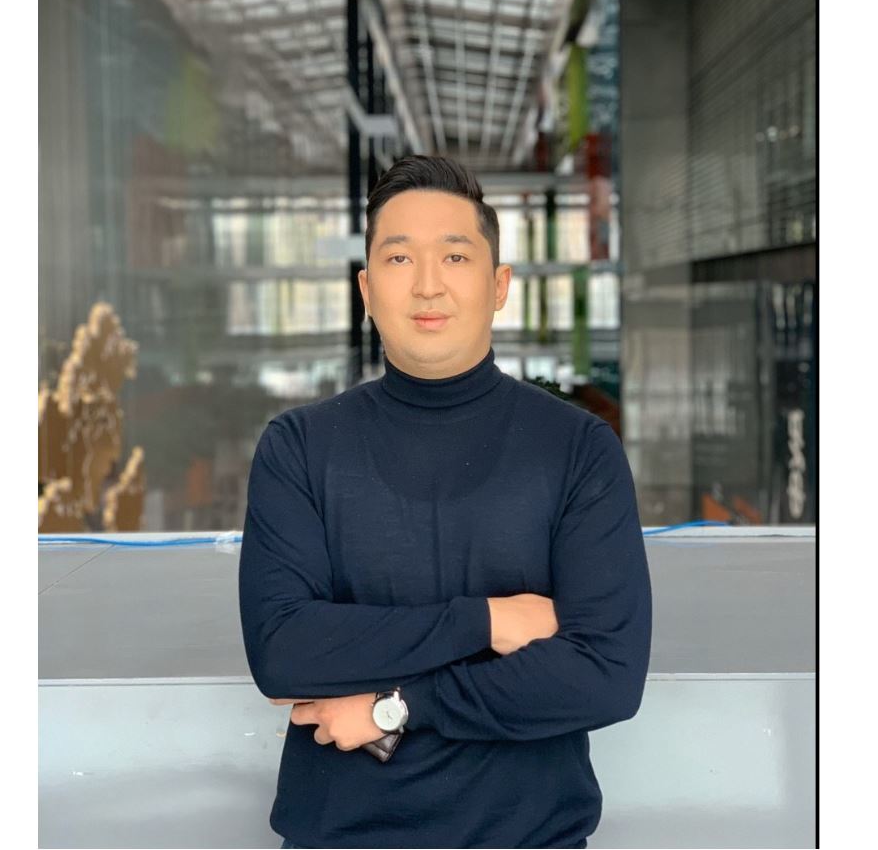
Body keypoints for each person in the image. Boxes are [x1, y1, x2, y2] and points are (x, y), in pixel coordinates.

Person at [237, 155, 653, 849]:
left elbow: (605, 675)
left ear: (499, 285)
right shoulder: (300, 448)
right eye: (399, 258)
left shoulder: (577, 450)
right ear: (367, 289)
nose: (428, 284)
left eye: (455, 256)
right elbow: (284, 651)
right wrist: (488, 621)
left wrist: (395, 706)